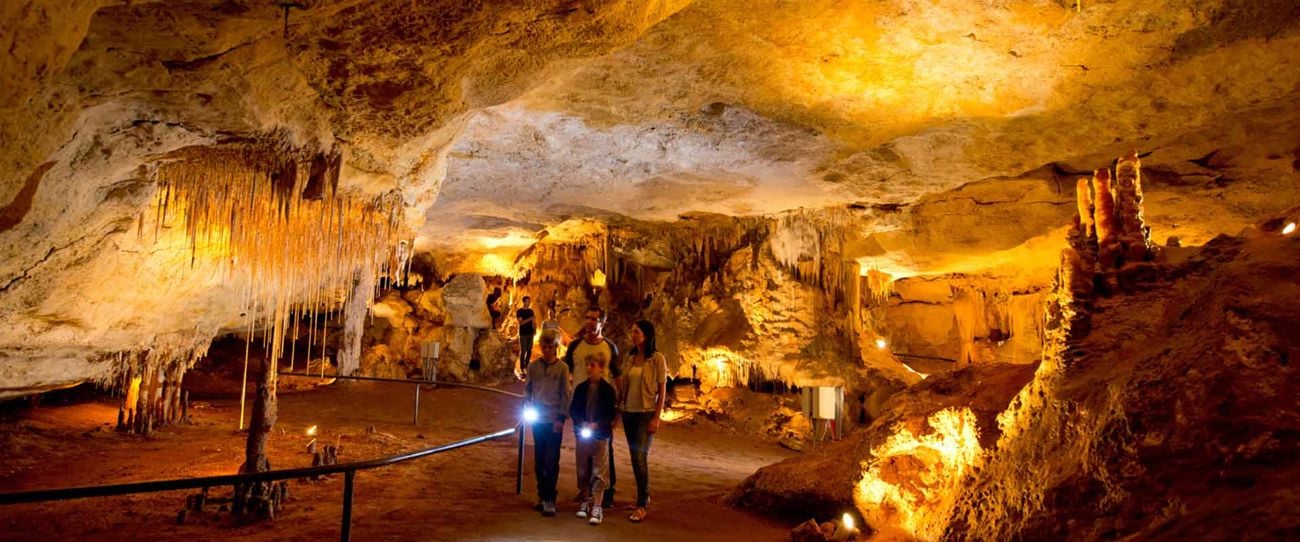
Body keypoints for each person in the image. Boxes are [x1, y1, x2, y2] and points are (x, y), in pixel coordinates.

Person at [564, 306, 620, 508]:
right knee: (583, 451)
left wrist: (617, 410)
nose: (589, 322)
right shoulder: (575, 347)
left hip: (602, 407)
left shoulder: (609, 348)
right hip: (581, 404)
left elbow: (617, 375)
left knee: (604, 453)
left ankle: (606, 492)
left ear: (602, 323)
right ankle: (584, 491)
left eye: (594, 319)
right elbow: (565, 371)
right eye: (587, 318)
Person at [619, 319, 668, 522]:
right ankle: (643, 496)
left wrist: (657, 416)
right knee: (634, 457)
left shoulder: (657, 359)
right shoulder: (630, 357)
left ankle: (641, 504)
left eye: (637, 332)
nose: (633, 335)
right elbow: (623, 385)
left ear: (646, 335)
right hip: (629, 412)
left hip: (646, 412)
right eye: (632, 331)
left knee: (640, 458)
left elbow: (662, 389)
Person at [524, 330, 571, 517]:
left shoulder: (562, 368)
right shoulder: (534, 367)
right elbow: (528, 389)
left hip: (553, 420)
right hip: (538, 419)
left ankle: (550, 498)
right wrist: (528, 405)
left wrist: (560, 418)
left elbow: (565, 394)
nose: (546, 349)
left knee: (552, 460)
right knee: (539, 458)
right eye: (544, 346)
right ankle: (542, 495)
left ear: (556, 348)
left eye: (550, 346)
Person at [569, 354, 618, 526]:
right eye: (587, 364)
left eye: (593, 364)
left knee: (599, 471)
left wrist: (598, 424)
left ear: (601, 367)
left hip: (600, 435)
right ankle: (585, 499)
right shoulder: (581, 388)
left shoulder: (607, 390)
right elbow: (573, 409)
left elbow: (611, 412)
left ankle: (597, 506)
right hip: (582, 433)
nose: (589, 368)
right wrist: (581, 422)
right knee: (583, 469)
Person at [516, 296, 537, 375]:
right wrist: (530, 318)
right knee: (523, 350)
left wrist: (535, 329)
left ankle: (527, 365)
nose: (528, 303)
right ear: (524, 302)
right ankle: (522, 367)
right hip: (523, 333)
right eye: (527, 301)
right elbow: (521, 322)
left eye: (529, 301)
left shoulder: (531, 311)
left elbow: (534, 321)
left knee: (529, 350)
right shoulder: (520, 311)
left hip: (530, 333)